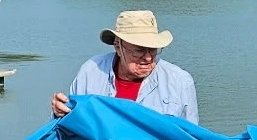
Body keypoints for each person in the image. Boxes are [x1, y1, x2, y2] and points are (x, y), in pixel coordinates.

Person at [51, 9, 198, 122]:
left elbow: (192, 139)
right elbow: (70, 127)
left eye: (153, 49)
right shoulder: (91, 71)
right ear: (117, 46)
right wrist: (60, 113)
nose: (148, 57)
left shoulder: (180, 81)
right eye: (139, 50)